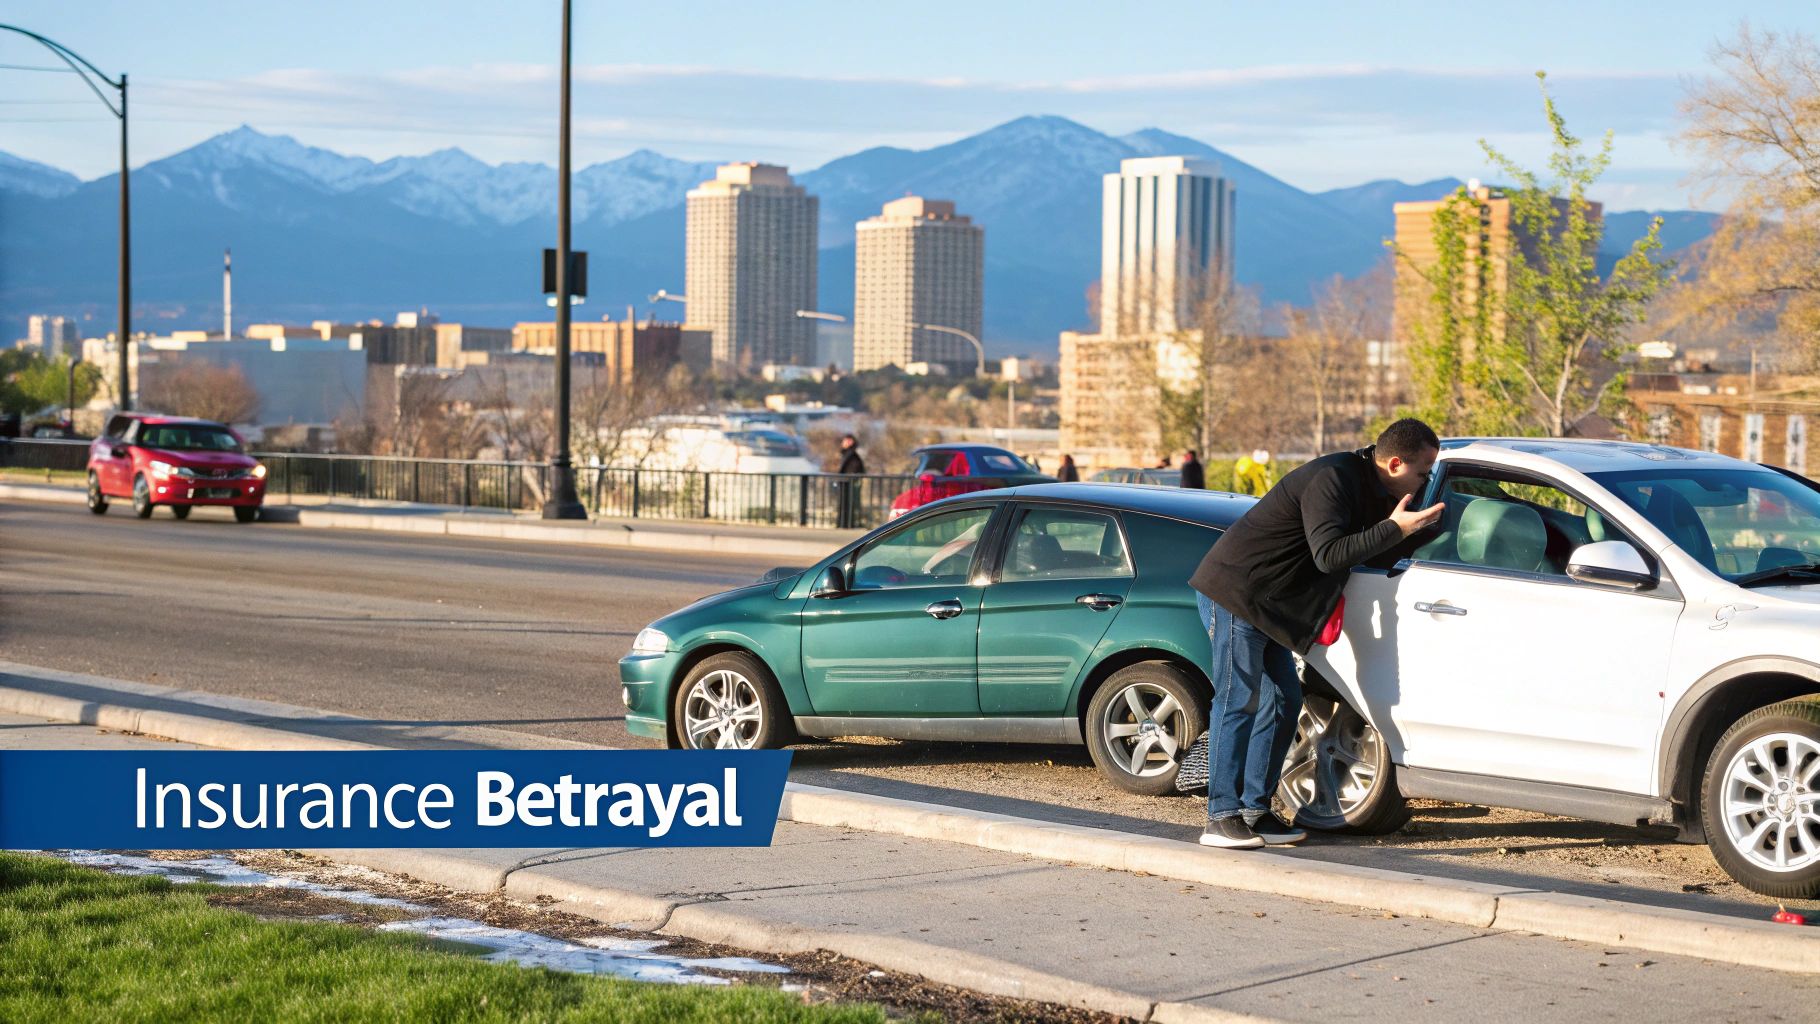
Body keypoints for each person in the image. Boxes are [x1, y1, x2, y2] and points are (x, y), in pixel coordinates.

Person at [1187, 419, 1444, 849]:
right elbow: (1329, 555)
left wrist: (1420, 532)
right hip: (1238, 594)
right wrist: (1394, 529)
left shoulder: (1378, 490)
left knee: (1285, 702)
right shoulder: (1334, 478)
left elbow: (1374, 545)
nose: (1426, 480)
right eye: (1423, 471)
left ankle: (1255, 810)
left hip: (1273, 608)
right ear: (1396, 463)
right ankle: (1220, 815)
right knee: (1239, 698)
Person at [834, 434, 865, 528]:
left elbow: (855, 470)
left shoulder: (851, 455)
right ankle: (844, 523)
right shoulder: (851, 454)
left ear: (850, 442)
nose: (842, 443)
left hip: (847, 484)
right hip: (846, 483)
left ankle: (844, 524)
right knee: (846, 504)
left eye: (844, 441)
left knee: (846, 505)